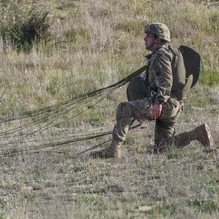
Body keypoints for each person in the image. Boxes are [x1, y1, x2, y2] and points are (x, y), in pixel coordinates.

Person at [91, 22, 212, 159]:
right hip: (174, 105)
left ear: (158, 39)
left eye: (148, 36)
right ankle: (196, 134)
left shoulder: (161, 54)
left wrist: (158, 103)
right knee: (162, 148)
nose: (144, 39)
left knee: (124, 108)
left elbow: (166, 81)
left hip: (165, 104)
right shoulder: (170, 52)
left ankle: (113, 150)